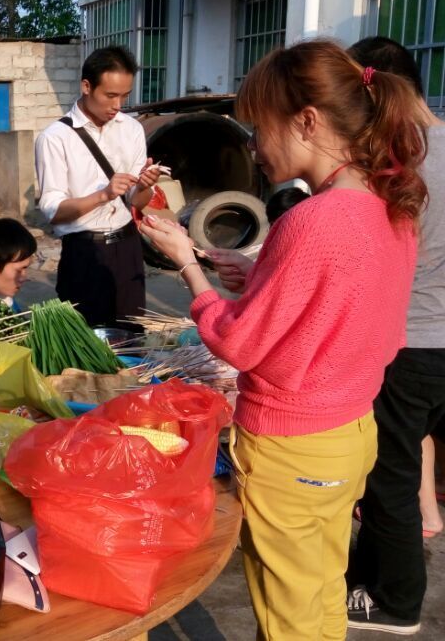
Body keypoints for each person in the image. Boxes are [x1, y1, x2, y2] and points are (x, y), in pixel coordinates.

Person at [139, 39, 427, 640]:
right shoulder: (386, 204)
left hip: (293, 449)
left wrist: (187, 266)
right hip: (351, 431)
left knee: (288, 615)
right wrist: (258, 274)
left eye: (258, 125)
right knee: (320, 590)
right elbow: (352, 311)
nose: (253, 144)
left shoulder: (313, 220)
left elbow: (240, 345)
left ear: (307, 120)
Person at [343, 36, 445, 635]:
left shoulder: (395, 164)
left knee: (392, 481)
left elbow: (368, 257)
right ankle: (368, 581)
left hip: (410, 343)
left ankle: (397, 603)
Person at [34, 45, 161, 330]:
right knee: (84, 343)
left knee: (130, 339)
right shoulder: (55, 138)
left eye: (125, 96)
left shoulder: (131, 129)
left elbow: (137, 202)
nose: (117, 105)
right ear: (87, 86)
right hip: (83, 253)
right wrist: (103, 195)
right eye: (110, 95)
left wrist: (144, 185)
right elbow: (54, 211)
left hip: (127, 247)